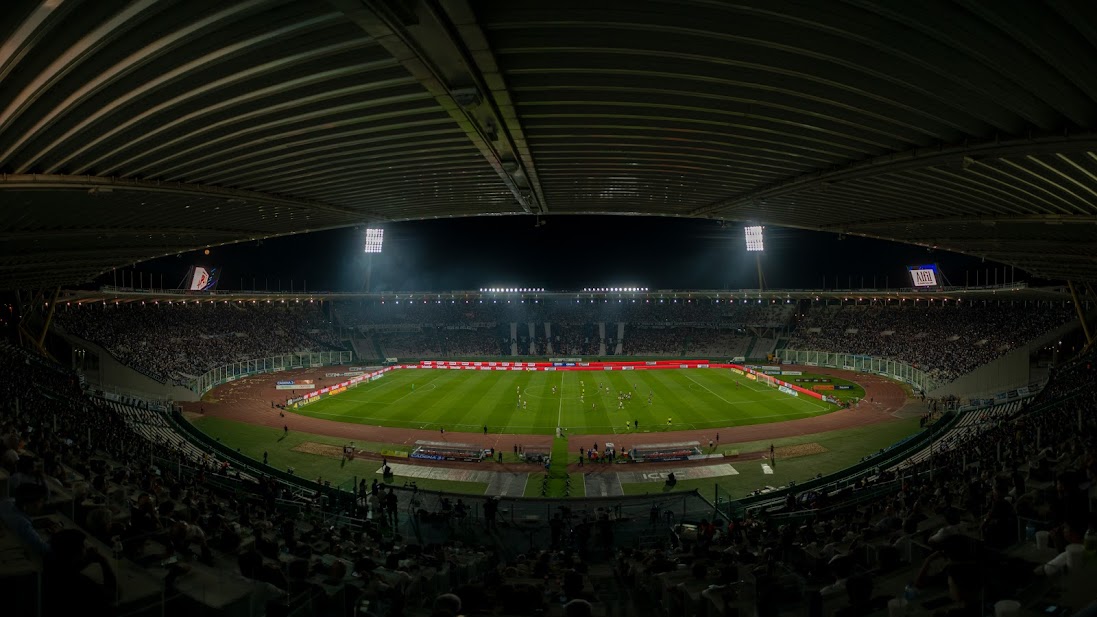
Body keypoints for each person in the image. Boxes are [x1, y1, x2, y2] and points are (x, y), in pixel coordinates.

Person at [43, 529, 117, 616]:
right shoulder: (83, 584)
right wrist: (104, 562)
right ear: (77, 554)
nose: (86, 549)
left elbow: (67, 569)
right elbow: (112, 594)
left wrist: (87, 560)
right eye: (83, 546)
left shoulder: (50, 568)